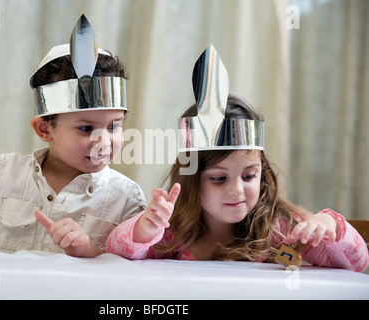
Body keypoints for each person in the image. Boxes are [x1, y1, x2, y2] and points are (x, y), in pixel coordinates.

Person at [106, 45, 369, 272]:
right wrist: (143, 228)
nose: (236, 190)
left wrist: (332, 225)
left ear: (262, 172)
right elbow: (118, 251)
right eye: (219, 178)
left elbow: (356, 265)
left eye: (249, 176)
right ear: (191, 178)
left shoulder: (279, 229)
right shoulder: (173, 232)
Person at [0, 15, 146, 257]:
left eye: (113, 127)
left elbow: (130, 272)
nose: (103, 140)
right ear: (45, 129)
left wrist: (87, 251)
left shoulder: (127, 199)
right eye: (85, 128)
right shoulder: (2, 173)